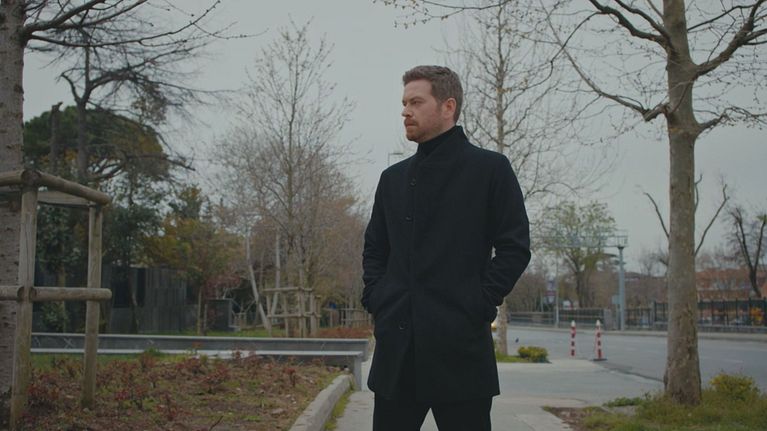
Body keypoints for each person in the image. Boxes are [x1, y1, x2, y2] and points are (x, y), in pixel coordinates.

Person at [361, 65, 531, 430]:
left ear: (448, 106)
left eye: (416, 102)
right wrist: (378, 298)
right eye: (404, 103)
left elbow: (515, 247)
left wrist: (479, 302)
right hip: (397, 354)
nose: (405, 111)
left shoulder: (490, 169)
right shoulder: (392, 179)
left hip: (461, 352)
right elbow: (375, 249)